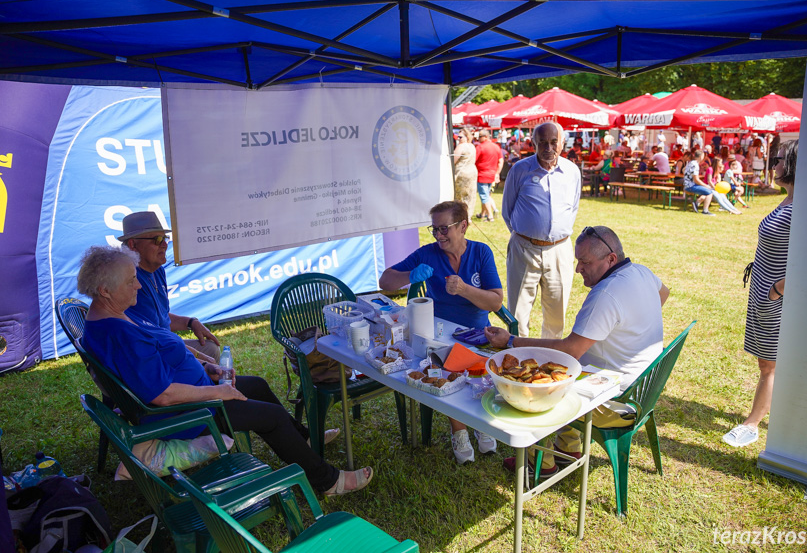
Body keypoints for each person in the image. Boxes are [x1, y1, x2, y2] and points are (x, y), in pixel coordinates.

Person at [78, 245, 371, 495]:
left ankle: (301, 439)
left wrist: (207, 367)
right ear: (104, 290)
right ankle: (328, 481)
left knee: (256, 385)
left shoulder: (113, 315)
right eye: (131, 281)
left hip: (197, 394)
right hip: (189, 412)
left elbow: (162, 354)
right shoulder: (119, 335)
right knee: (272, 417)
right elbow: (163, 395)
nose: (138, 285)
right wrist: (217, 391)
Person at [485, 226, 669, 475]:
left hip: (616, 399)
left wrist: (512, 341)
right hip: (643, 389)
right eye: (577, 260)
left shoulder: (606, 294)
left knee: (537, 385)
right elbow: (663, 294)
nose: (578, 269)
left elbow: (569, 351)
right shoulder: (640, 272)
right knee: (567, 373)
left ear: (611, 259)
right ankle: (569, 448)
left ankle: (540, 462)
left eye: (584, 262)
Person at [379, 201, 503, 464]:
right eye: (434, 229)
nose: (438, 235)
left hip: (476, 332)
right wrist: (409, 276)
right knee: (445, 365)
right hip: (438, 330)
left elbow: (495, 302)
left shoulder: (481, 252)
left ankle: (479, 422)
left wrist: (465, 289)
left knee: (476, 370)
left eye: (444, 229)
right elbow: (385, 281)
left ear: (464, 226)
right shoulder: (428, 253)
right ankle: (459, 430)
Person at [723, 140, 797, 448]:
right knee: (766, 362)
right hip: (764, 292)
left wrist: (776, 291)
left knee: (769, 364)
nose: (775, 165)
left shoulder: (802, 209)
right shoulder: (789, 201)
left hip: (775, 297)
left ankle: (752, 424)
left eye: (780, 160)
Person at [502, 122, 581, 339]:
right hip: (524, 248)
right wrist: (527, 235)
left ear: (562, 143)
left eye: (554, 142)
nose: (549, 147)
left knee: (557, 310)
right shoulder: (520, 169)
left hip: (560, 249)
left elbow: (573, 207)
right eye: (543, 142)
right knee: (517, 310)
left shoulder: (572, 171)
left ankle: (550, 356)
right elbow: (507, 210)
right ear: (533, 143)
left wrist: (554, 234)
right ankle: (517, 356)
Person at [119, 212, 221, 363]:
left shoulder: (158, 271)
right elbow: (152, 338)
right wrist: (199, 358)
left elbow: (161, 318)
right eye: (156, 239)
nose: (165, 244)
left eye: (164, 238)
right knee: (209, 360)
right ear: (133, 245)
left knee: (211, 349)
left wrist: (190, 322)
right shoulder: (129, 280)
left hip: (164, 345)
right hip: (151, 354)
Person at [475, 130, 503, 221]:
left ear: (486, 136)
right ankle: (482, 214)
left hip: (482, 175)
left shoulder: (480, 147)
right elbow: (501, 161)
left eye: (480, 136)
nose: (478, 138)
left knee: (484, 196)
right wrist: (497, 173)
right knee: (487, 195)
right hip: (492, 175)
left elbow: (473, 160)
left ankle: (490, 216)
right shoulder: (496, 147)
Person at [453, 128, 478, 220]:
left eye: (460, 137)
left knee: (460, 196)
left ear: (467, 137)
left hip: (462, 173)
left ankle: (461, 216)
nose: (458, 139)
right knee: (470, 196)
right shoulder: (472, 146)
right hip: (472, 172)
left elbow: (453, 160)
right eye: (457, 137)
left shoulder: (461, 146)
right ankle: (468, 216)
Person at [684, 150, 715, 216]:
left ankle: (696, 204)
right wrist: (706, 186)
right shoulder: (695, 165)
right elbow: (696, 180)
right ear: (701, 156)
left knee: (706, 192)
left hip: (688, 185)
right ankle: (705, 211)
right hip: (690, 186)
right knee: (710, 192)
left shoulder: (691, 163)